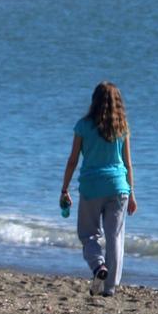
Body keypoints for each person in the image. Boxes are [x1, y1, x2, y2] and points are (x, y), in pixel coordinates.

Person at [59, 81, 135, 297]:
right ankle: (109, 288)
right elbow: (128, 163)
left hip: (92, 187)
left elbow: (72, 160)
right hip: (119, 187)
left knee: (88, 235)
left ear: (94, 101)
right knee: (115, 237)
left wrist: (65, 188)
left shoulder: (83, 126)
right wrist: (132, 194)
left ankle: (98, 266)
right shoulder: (122, 128)